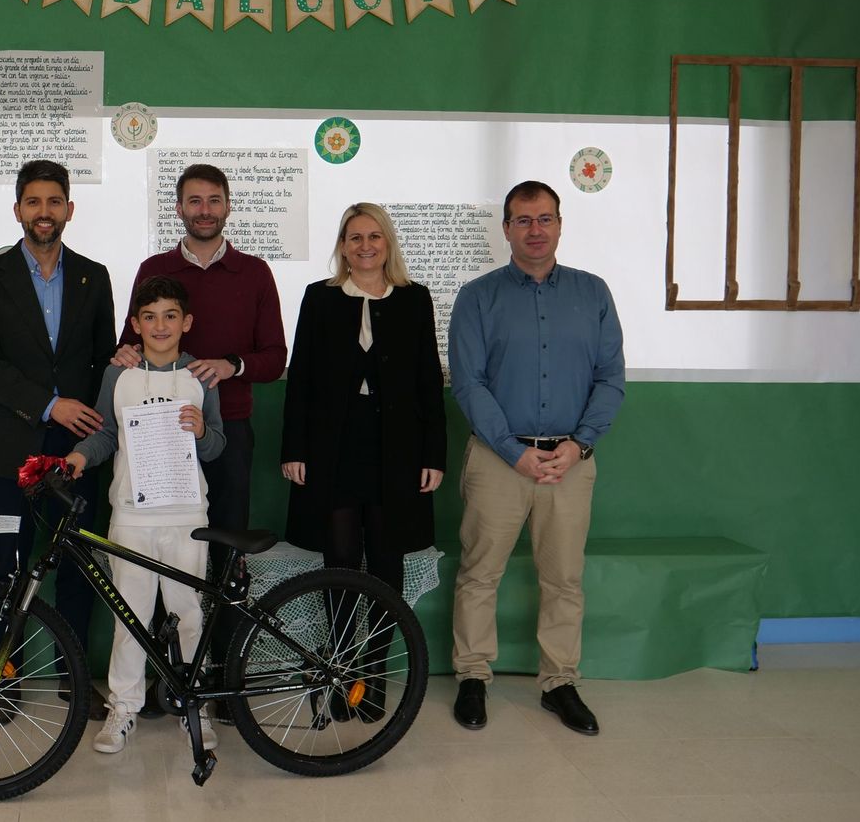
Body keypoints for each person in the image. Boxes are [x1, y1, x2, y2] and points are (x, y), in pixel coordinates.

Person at [447, 180, 625, 736]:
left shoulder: (594, 293)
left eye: (544, 218)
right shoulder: (477, 297)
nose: (535, 230)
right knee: (479, 574)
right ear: (506, 228)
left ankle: (559, 682)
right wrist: (512, 451)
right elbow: (469, 384)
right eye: (523, 220)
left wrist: (578, 445)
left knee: (565, 579)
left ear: (560, 223)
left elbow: (611, 378)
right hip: (499, 461)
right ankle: (473, 677)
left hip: (570, 462)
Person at [114, 163, 286, 719]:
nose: (204, 209)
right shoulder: (155, 268)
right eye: (194, 200)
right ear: (180, 208)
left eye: (214, 200)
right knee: (163, 560)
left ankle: (224, 682)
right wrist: (121, 356)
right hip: (157, 437)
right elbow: (129, 342)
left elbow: (274, 357)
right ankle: (168, 682)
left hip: (226, 432)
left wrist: (231, 364)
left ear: (229, 206)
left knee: (226, 559)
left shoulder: (255, 272)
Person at [280, 202, 446, 722]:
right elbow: (301, 378)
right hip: (334, 449)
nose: (366, 246)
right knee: (341, 561)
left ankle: (373, 675)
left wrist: (432, 455)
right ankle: (341, 670)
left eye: (375, 236)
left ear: (388, 243)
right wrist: (294, 450)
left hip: (396, 450)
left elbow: (427, 382)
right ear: (343, 245)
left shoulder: (415, 300)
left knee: (387, 564)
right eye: (355, 237)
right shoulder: (321, 298)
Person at [0, 159, 116, 719]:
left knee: (77, 565)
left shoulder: (93, 277)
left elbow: (104, 360)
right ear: (18, 210)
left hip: (78, 450)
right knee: (10, 562)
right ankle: (4, 676)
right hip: (10, 450)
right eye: (34, 202)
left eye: (55, 202)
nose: (44, 212)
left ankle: (74, 680)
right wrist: (51, 404)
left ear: (69, 210)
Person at [67, 275, 226, 754]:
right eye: (150, 317)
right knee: (129, 616)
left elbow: (217, 446)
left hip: (186, 516)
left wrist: (201, 432)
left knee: (188, 614)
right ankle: (124, 707)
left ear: (187, 322)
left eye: (170, 316)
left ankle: (193, 705)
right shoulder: (119, 375)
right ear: (135, 323)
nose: (160, 325)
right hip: (131, 517)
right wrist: (78, 457)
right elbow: (105, 437)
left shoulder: (200, 377)